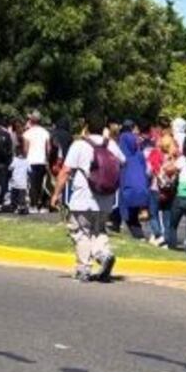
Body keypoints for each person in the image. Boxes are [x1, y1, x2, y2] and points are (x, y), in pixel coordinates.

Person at [51, 113, 125, 282]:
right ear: (104, 127)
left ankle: (83, 268)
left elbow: (65, 171)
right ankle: (103, 254)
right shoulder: (111, 144)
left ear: (86, 126)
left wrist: (56, 194)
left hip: (83, 197)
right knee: (99, 230)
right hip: (105, 197)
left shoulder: (79, 145)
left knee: (81, 232)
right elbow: (123, 161)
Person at [118, 126, 149, 239]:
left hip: (127, 189)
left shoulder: (122, 156)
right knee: (134, 217)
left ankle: (138, 236)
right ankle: (139, 236)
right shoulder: (140, 154)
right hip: (142, 189)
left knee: (126, 216)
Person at [23, 111, 53, 212]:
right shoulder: (45, 132)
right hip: (42, 160)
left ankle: (33, 204)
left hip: (31, 161)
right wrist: (47, 158)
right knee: (41, 184)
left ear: (31, 120)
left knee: (32, 184)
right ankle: (42, 204)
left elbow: (25, 150)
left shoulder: (27, 133)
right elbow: (48, 149)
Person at [8, 144, 30, 215]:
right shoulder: (27, 161)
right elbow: (30, 170)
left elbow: (10, 168)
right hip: (23, 182)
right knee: (21, 196)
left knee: (14, 195)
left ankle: (14, 207)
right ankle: (21, 207)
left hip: (15, 181)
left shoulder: (15, 160)